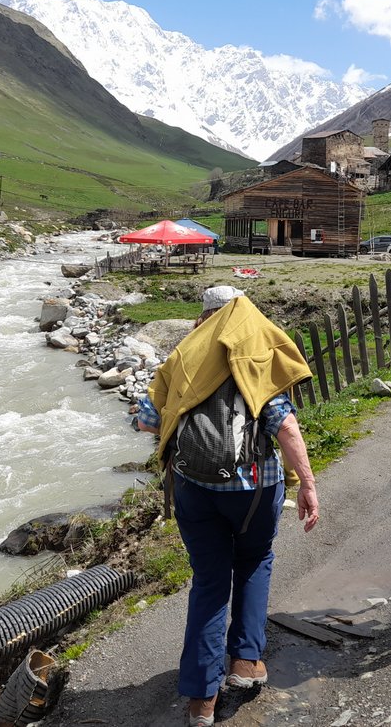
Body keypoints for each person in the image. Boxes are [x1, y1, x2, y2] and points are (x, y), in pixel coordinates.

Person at [137, 286, 319, 727]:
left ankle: (201, 701)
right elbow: (285, 426)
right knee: (254, 560)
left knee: (209, 582)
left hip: (194, 487)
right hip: (253, 488)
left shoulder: (182, 358)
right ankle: (246, 663)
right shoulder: (253, 353)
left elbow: (147, 418)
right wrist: (307, 484)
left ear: (203, 316)